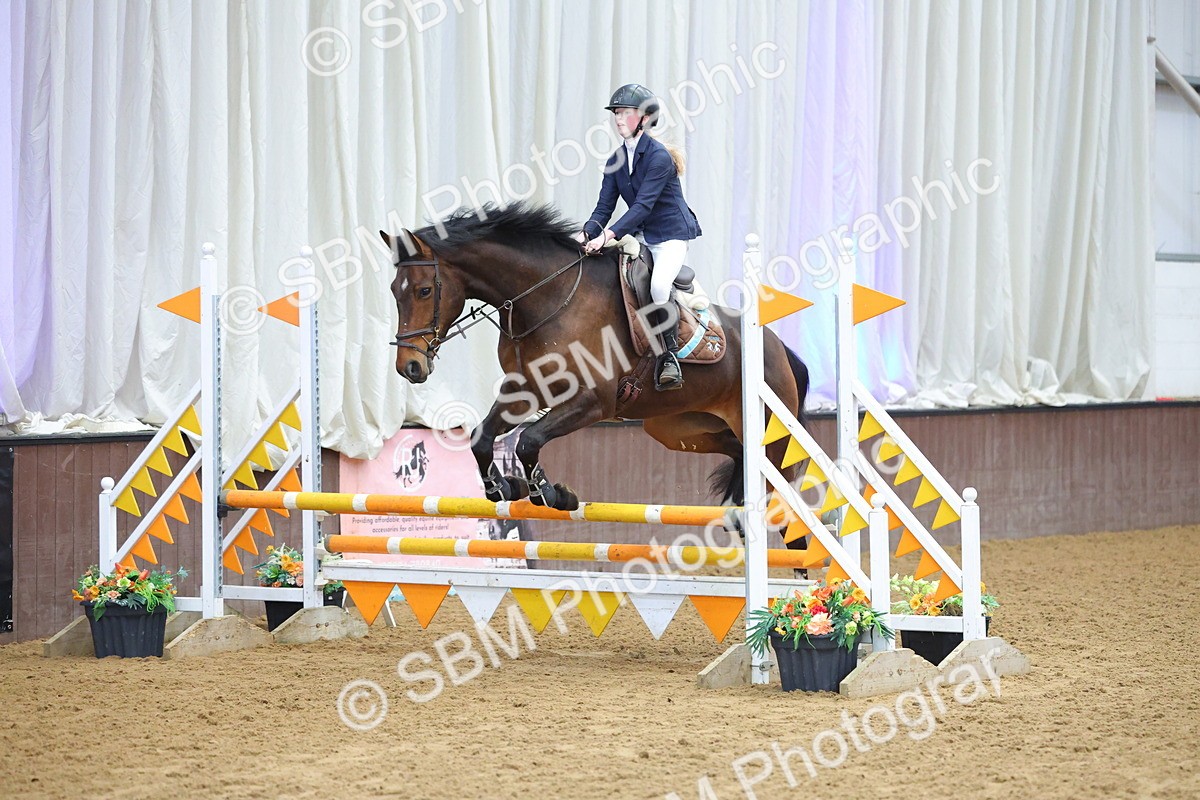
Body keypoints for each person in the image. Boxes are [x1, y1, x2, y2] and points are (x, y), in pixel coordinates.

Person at [575, 83, 701, 391]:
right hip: (644, 237)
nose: (618, 119)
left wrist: (608, 236)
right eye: (616, 113)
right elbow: (604, 206)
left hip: (670, 235)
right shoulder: (616, 159)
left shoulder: (658, 158)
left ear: (644, 118)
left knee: (658, 285)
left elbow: (643, 206)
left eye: (625, 113)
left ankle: (669, 357)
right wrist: (585, 233)